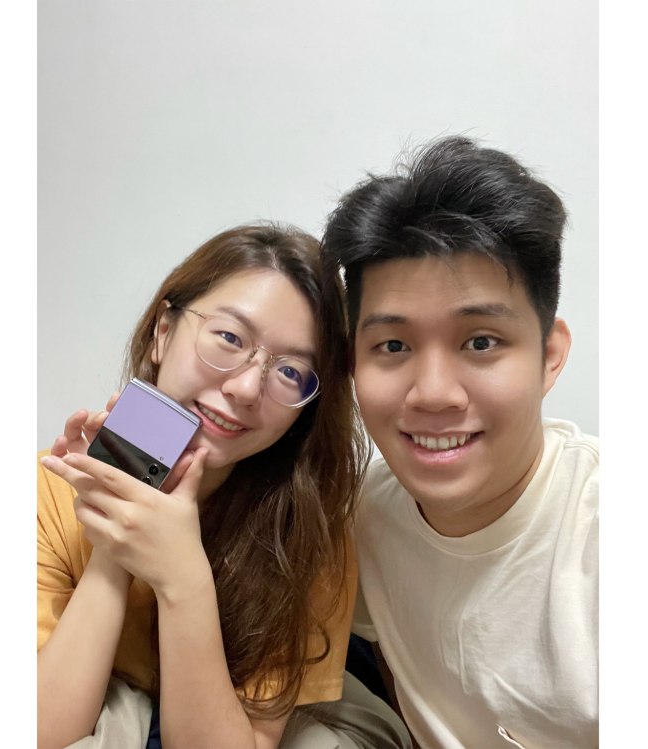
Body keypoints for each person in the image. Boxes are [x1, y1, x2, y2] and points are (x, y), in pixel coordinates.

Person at [35, 224, 391, 749]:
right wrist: (115, 539)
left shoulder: (309, 532)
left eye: (291, 372)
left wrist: (185, 580)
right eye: (229, 338)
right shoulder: (52, 487)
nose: (245, 388)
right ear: (163, 332)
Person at [315, 137, 600, 748]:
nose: (434, 394)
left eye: (480, 342)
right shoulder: (363, 517)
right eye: (393, 346)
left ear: (550, 355)